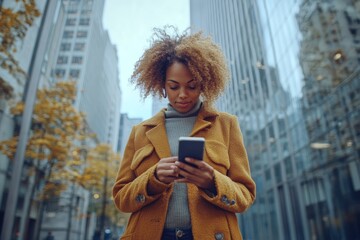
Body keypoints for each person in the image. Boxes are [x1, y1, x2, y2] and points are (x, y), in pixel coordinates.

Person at [112, 26, 256, 240]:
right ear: (162, 85)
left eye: (191, 86)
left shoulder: (226, 125)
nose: (182, 95)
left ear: (204, 84)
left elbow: (245, 196)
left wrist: (212, 182)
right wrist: (153, 179)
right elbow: (121, 199)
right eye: (173, 86)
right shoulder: (139, 132)